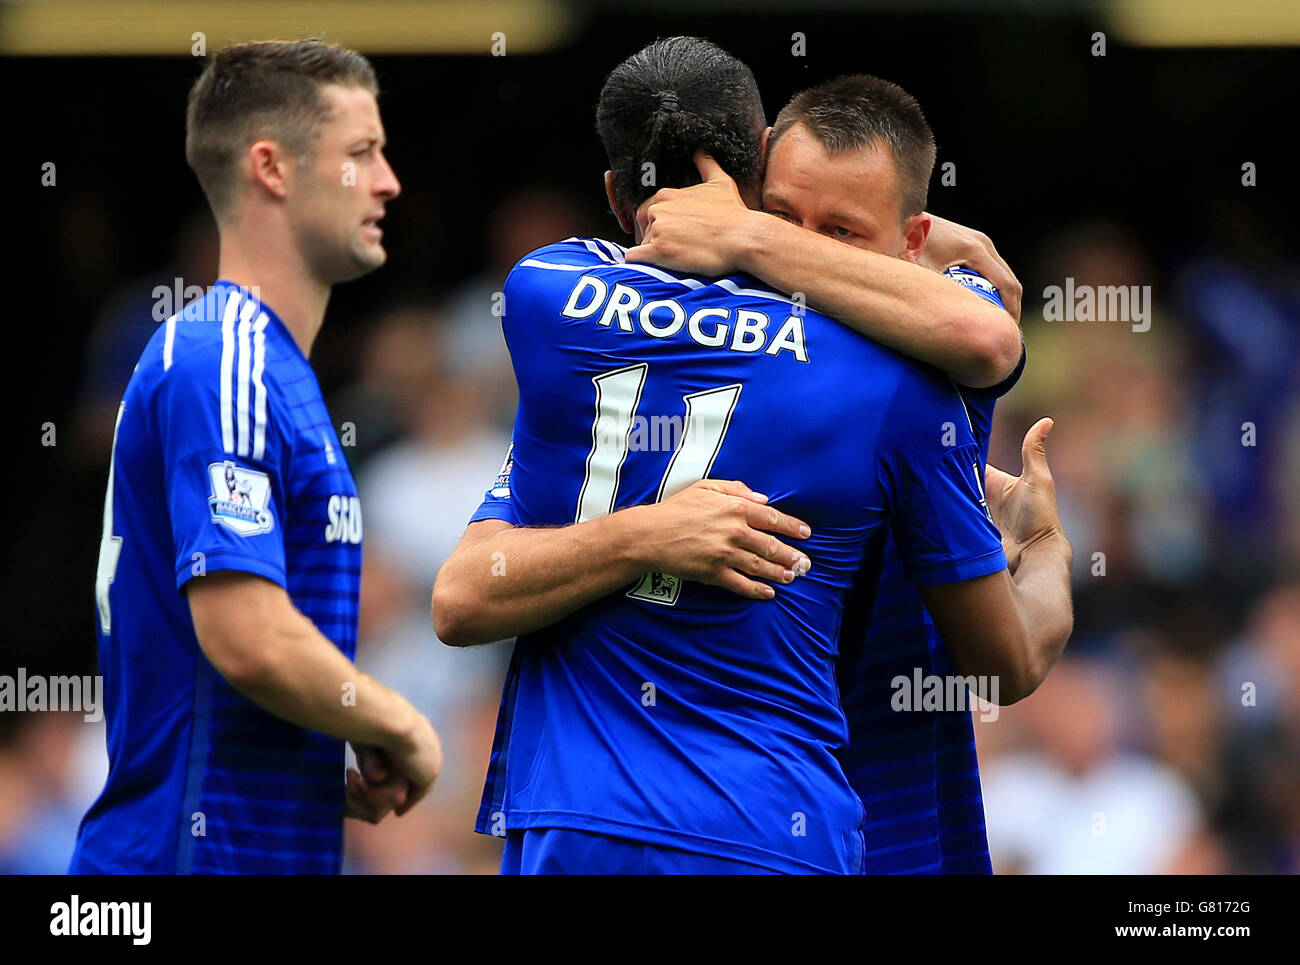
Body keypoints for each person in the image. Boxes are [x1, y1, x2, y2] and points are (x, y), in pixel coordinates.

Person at [434, 37, 1072, 874]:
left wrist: (750, 233)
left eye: (841, 233)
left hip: (583, 824)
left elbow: (461, 599)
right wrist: (1049, 549)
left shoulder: (549, 298)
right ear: (756, 167)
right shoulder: (905, 380)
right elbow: (1011, 660)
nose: (803, 257)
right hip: (776, 823)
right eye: (785, 221)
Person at [71, 39, 442, 875]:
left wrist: (325, 728)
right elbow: (247, 638)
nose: (389, 180)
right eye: (362, 153)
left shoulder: (273, 372)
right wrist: (397, 721)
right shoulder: (223, 360)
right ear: (271, 168)